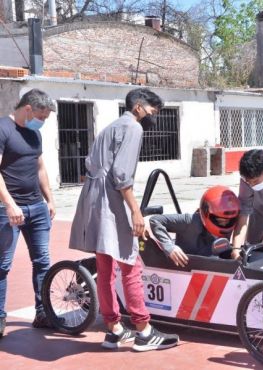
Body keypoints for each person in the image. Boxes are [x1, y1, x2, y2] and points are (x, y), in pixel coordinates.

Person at [68, 88, 179, 351]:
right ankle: (143, 330)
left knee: (105, 267)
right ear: (139, 107)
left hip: (93, 200)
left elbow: (92, 164)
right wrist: (135, 211)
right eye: (153, 111)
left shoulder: (109, 127)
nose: (154, 117)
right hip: (111, 201)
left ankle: (114, 329)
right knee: (131, 264)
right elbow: (121, 174)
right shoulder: (133, 127)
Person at [0, 89, 57, 338]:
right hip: (7, 210)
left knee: (43, 262)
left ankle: (43, 312)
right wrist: (10, 204)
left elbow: (40, 167)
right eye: (41, 116)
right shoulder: (3, 129)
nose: (42, 122)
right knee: (2, 265)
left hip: (37, 208)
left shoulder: (35, 134)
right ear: (28, 109)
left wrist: (50, 199)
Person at [149, 186, 240, 267]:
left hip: (212, 266)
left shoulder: (231, 222)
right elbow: (155, 220)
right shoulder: (190, 221)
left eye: (227, 221)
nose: (224, 224)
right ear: (206, 212)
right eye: (220, 220)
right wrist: (170, 247)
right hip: (184, 267)